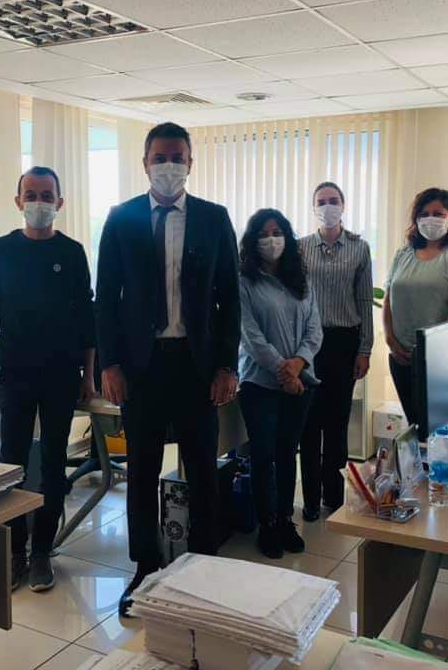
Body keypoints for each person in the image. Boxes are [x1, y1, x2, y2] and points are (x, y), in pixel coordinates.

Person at [95, 122, 240, 616]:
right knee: (142, 470)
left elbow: (230, 300)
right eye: (160, 157)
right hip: (142, 365)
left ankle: (204, 567)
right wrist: (110, 364)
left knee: (202, 469)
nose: (168, 166)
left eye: (177, 157)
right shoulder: (121, 219)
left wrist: (227, 365)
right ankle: (145, 567)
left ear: (191, 162)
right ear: (145, 163)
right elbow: (105, 299)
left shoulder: (214, 219)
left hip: (197, 365)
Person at [0, 166, 96, 593]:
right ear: (18, 201)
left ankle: (42, 550)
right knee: (10, 464)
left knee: (52, 464)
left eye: (47, 195)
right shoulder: (1, 250)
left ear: (60, 202)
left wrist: (88, 376)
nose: (39, 203)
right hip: (14, 374)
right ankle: (14, 552)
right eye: (31, 194)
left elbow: (87, 318)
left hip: (61, 374)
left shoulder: (73, 252)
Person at [238, 209, 322, 559]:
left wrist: (298, 364)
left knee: (288, 453)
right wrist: (283, 372)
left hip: (300, 382)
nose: (271, 240)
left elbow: (314, 329)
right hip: (259, 383)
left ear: (287, 237)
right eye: (263, 234)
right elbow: (251, 337)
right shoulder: (244, 281)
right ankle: (268, 524)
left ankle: (286, 519)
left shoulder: (300, 279)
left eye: (277, 232)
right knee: (263, 455)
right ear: (252, 240)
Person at [298, 182, 373, 520]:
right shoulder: (300, 248)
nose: (327, 206)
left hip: (344, 343)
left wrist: (365, 349)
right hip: (309, 344)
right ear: (313, 207)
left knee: (337, 423)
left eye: (333, 201)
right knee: (309, 425)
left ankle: (334, 497)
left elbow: (364, 301)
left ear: (343, 205)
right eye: (322, 201)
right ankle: (311, 501)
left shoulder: (359, 248)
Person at [383, 188, 448, 435]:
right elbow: (388, 299)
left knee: (439, 433)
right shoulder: (403, 253)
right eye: (424, 214)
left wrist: (427, 346)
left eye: (438, 214)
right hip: (401, 357)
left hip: (441, 361)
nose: (430, 219)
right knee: (416, 429)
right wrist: (390, 339)